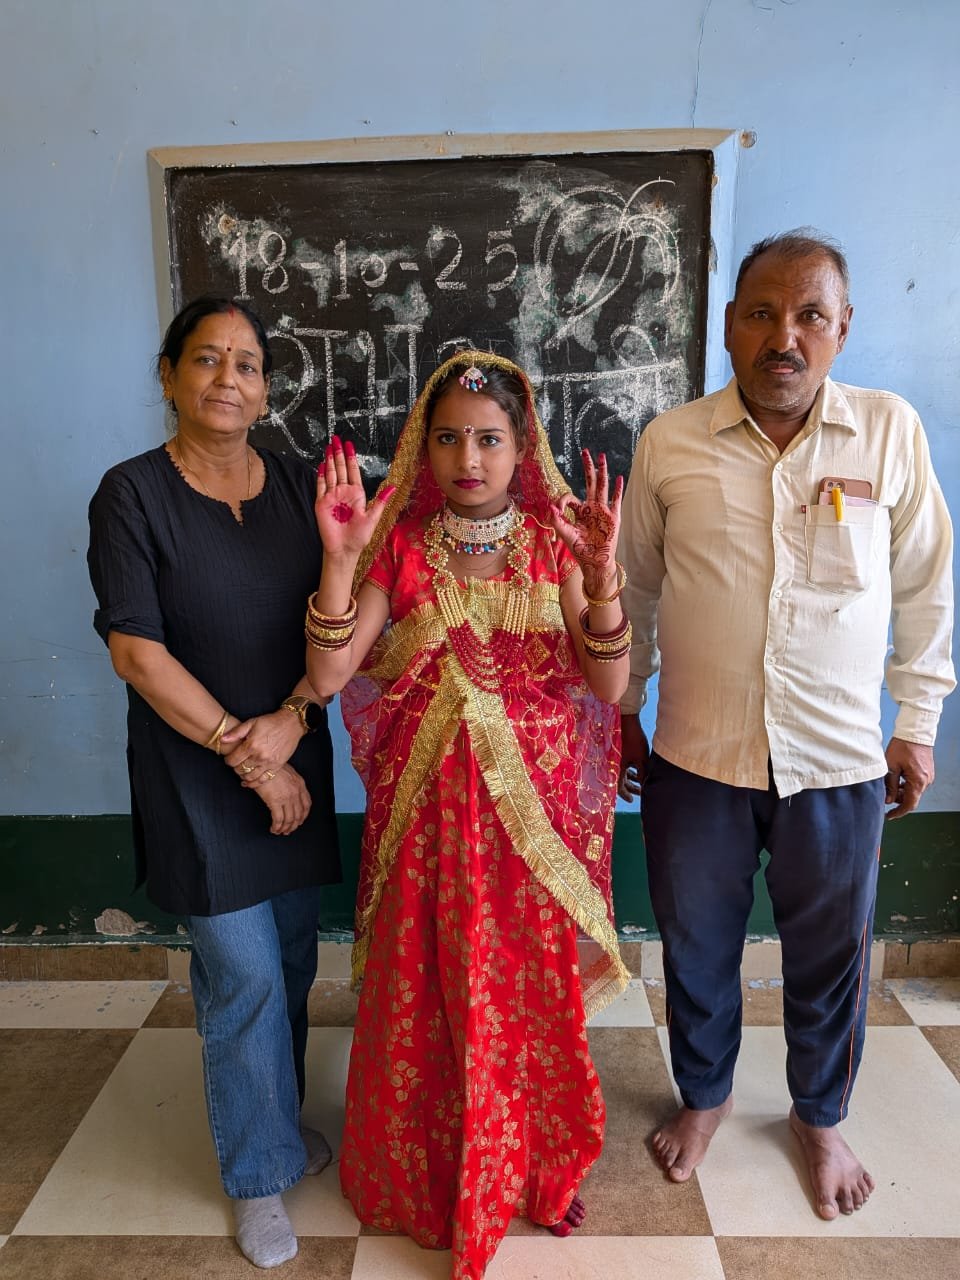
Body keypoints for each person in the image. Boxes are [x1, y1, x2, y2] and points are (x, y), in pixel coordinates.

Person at [617, 229, 955, 1220]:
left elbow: (927, 586)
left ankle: (820, 1116)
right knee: (696, 945)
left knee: (830, 957)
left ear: (843, 326)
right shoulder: (671, 440)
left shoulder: (888, 431)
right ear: (730, 325)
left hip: (839, 761)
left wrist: (918, 720)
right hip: (695, 754)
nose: (785, 337)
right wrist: (624, 707)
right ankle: (706, 1096)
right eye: (763, 313)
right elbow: (634, 589)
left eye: (810, 315)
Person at [304, 350, 631, 1279]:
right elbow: (329, 676)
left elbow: (609, 687)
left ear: (522, 449)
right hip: (424, 832)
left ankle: (528, 1160)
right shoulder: (400, 545)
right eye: (447, 439)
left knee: (521, 996)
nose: (468, 459)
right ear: (425, 447)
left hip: (530, 837)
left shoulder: (558, 544)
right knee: (428, 991)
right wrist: (339, 560)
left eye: (488, 439)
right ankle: (431, 1168)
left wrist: (603, 580)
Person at [87, 295, 341, 1269]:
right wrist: (246, 754)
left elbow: (338, 619)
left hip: (295, 748)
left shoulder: (301, 487)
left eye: (247, 364)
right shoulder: (131, 495)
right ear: (168, 375)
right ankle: (257, 1174)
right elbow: (137, 653)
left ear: (266, 389)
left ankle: (274, 1122)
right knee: (242, 975)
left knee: (292, 961)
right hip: (194, 773)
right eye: (205, 358)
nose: (227, 378)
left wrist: (293, 724)